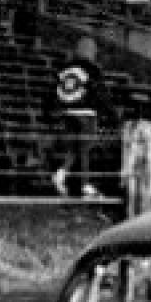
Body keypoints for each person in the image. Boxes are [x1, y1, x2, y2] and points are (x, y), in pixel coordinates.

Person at [47, 35, 116, 199]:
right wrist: (111, 113)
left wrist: (52, 112)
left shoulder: (64, 69)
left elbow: (54, 92)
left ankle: (61, 174)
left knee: (75, 148)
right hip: (87, 114)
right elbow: (100, 93)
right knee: (85, 148)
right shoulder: (93, 69)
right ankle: (85, 185)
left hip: (68, 112)